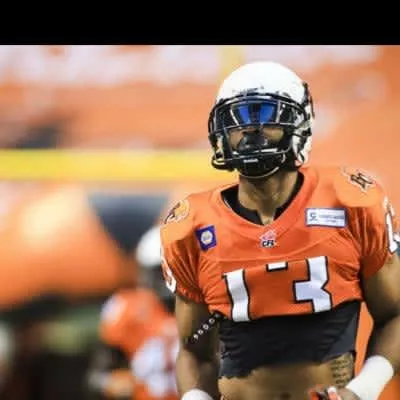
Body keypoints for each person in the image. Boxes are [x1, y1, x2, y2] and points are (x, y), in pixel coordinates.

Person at [160, 61, 400, 400]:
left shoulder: (350, 202)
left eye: (265, 115)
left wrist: (361, 391)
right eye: (238, 119)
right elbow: (193, 350)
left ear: (300, 123)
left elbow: (395, 315)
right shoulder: (192, 227)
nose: (250, 131)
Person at [87, 225, 179, 400]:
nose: (166, 279)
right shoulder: (126, 309)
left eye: (173, 269)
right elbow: (98, 376)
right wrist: (116, 384)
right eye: (160, 272)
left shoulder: (204, 306)